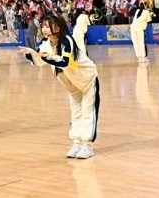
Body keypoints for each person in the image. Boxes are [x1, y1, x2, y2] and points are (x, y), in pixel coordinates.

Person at [19, 14, 100, 159]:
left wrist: (43, 56)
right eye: (43, 26)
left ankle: (87, 145)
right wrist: (31, 54)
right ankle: (76, 142)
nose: (44, 29)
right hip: (72, 85)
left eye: (47, 25)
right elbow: (40, 61)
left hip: (87, 80)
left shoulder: (67, 41)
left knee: (88, 112)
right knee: (75, 112)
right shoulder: (46, 43)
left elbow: (64, 62)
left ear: (57, 27)